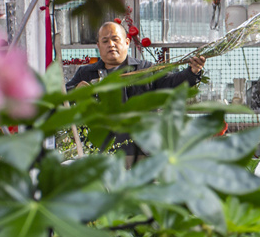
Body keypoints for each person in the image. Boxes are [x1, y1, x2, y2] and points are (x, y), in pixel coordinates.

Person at [65, 21, 206, 157]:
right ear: (98, 46)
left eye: (115, 39)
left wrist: (192, 72)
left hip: (141, 151)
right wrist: (75, 91)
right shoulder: (86, 73)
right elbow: (63, 98)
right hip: (100, 152)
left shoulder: (145, 69)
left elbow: (172, 82)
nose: (111, 44)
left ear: (127, 42)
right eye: (105, 41)